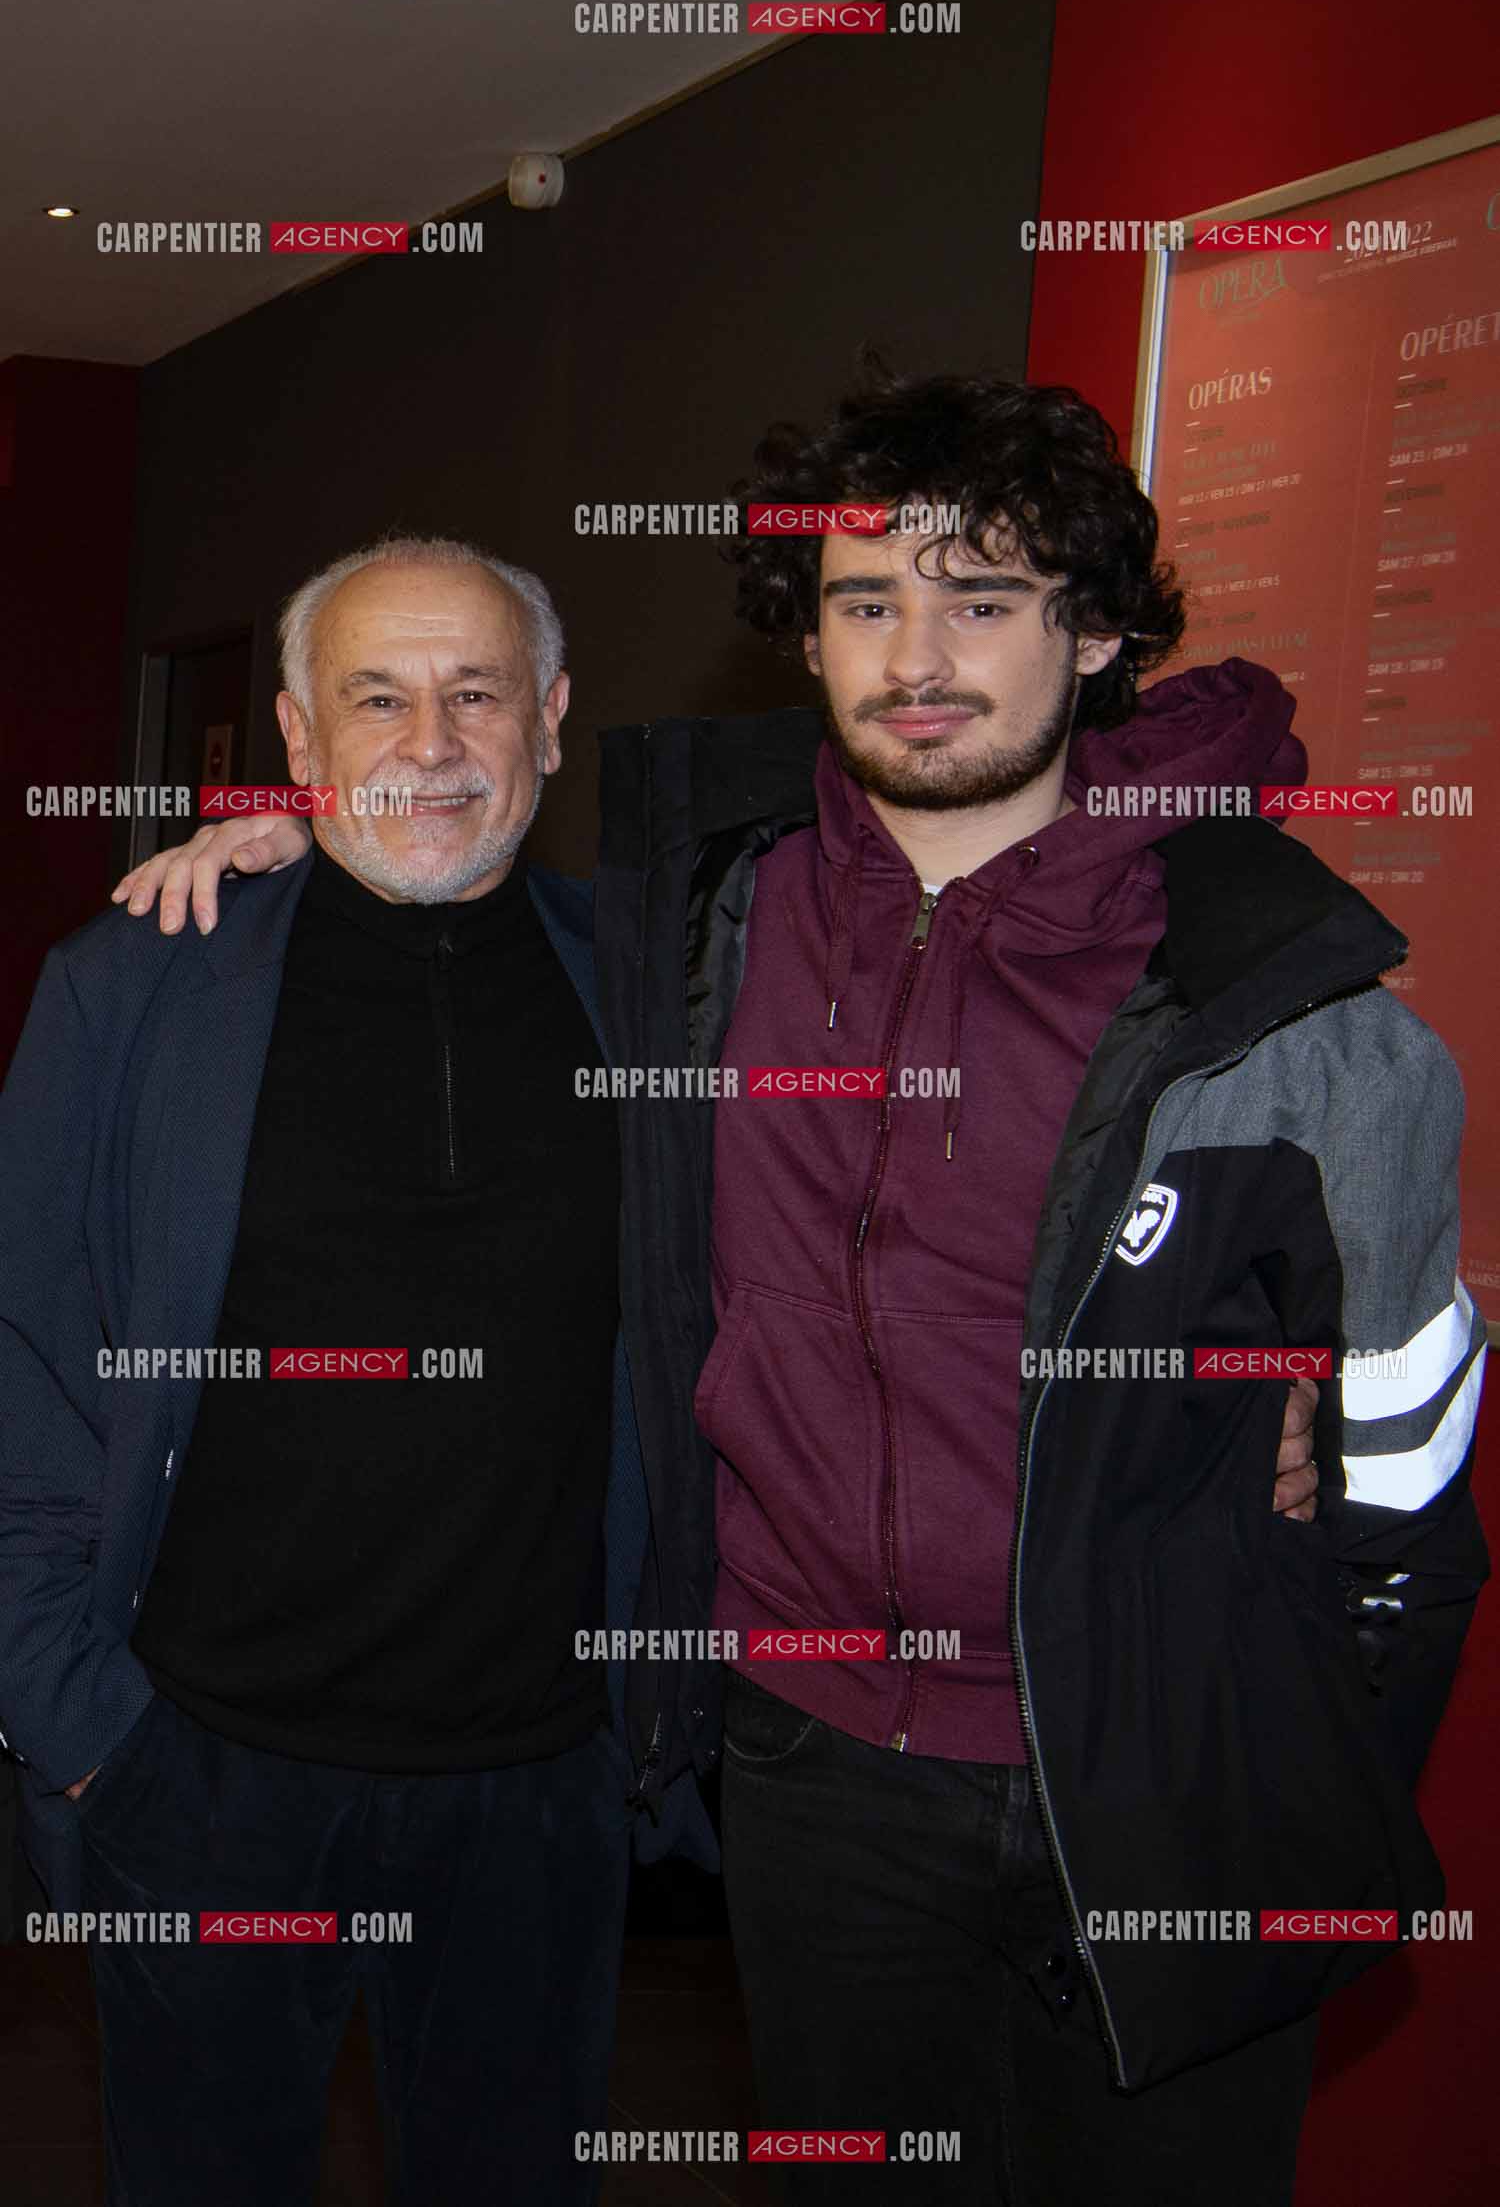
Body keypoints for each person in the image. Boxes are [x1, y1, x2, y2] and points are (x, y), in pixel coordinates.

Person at [109, 372, 1358, 2199]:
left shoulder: (1251, 945)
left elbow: (1400, 1453)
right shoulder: (716, 915)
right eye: (867, 603)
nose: (919, 654)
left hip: (1147, 1767)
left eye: (986, 597)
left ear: (1092, 634)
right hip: (808, 1771)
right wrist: (305, 834)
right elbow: (437, 823)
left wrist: (1281, 1505)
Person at [0, 536, 710, 2207]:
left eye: (476, 694)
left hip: (541, 1788)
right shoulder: (138, 984)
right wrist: (77, 1725)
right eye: (374, 700)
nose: (431, 743)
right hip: (198, 1771)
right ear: (298, 745)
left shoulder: (660, 990)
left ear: (548, 720)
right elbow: (23, 1350)